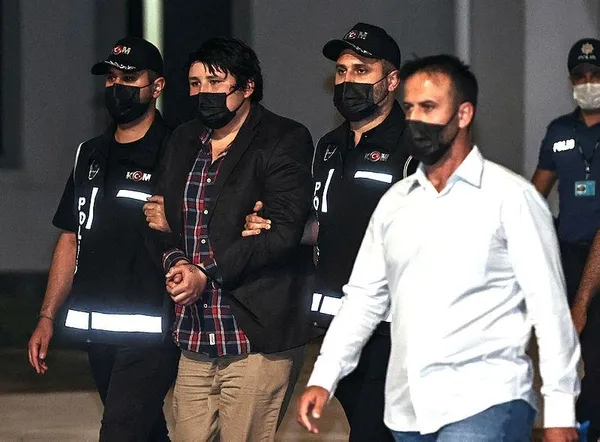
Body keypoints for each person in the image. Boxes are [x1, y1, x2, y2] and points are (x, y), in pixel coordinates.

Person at [297, 54, 581, 441]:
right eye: (410, 108)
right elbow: (363, 298)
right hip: (407, 411)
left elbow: (549, 310)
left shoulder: (511, 198)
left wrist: (560, 411)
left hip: (486, 402)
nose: (416, 119)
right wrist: (324, 376)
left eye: (429, 107)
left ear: (463, 114)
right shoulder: (396, 203)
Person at [243, 22, 417, 441]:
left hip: (393, 323)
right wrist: (276, 226)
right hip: (339, 319)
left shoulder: (415, 144)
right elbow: (323, 225)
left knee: (375, 431)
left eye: (362, 71)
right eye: (341, 71)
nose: (347, 81)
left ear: (392, 80)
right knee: (367, 424)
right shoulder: (329, 145)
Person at [145, 37, 315, 442]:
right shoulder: (183, 139)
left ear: (248, 86)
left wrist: (205, 272)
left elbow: (282, 233)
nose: (203, 92)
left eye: (215, 82)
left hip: (254, 332)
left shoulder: (283, 138)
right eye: (195, 83)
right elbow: (156, 219)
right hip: (194, 331)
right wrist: (176, 262)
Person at [27, 37, 179, 441]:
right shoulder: (89, 154)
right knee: (147, 433)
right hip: (98, 331)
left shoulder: (176, 151)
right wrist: (46, 317)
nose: (117, 87)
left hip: (152, 333)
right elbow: (70, 238)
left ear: (157, 86)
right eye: (112, 78)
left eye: (129, 78)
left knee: (119, 433)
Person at [532, 38, 600, 308]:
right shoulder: (558, 131)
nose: (588, 83)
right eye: (580, 77)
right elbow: (534, 196)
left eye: (596, 75)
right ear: (571, 82)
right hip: (569, 254)